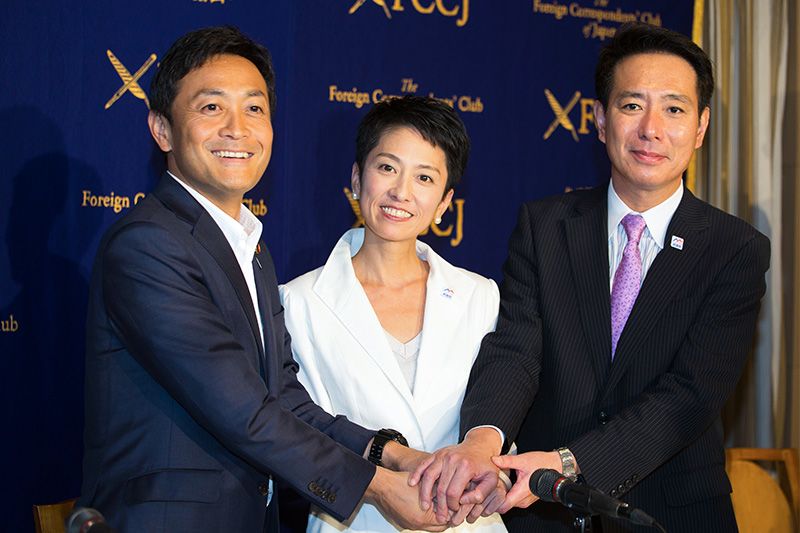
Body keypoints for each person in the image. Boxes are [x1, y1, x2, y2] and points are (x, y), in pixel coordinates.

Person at [410, 22, 770, 532]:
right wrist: (481, 442)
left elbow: (690, 395)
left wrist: (570, 462)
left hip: (672, 513)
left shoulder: (734, 249)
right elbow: (516, 349)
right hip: (543, 511)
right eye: (632, 105)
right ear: (600, 120)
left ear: (701, 126)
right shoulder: (544, 226)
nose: (651, 129)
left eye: (674, 109)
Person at [79, 26, 441, 533]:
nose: (237, 129)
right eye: (211, 107)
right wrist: (378, 487)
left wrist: (395, 455)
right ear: (162, 130)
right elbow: (242, 411)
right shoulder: (147, 245)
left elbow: (282, 398)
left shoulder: (251, 248)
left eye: (254, 108)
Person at [280, 96, 507, 532]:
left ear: (445, 202)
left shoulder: (480, 297)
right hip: (356, 522)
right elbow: (299, 432)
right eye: (387, 167)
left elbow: (498, 422)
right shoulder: (298, 302)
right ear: (356, 177)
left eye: (424, 177)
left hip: (466, 522)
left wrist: (497, 476)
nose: (401, 192)